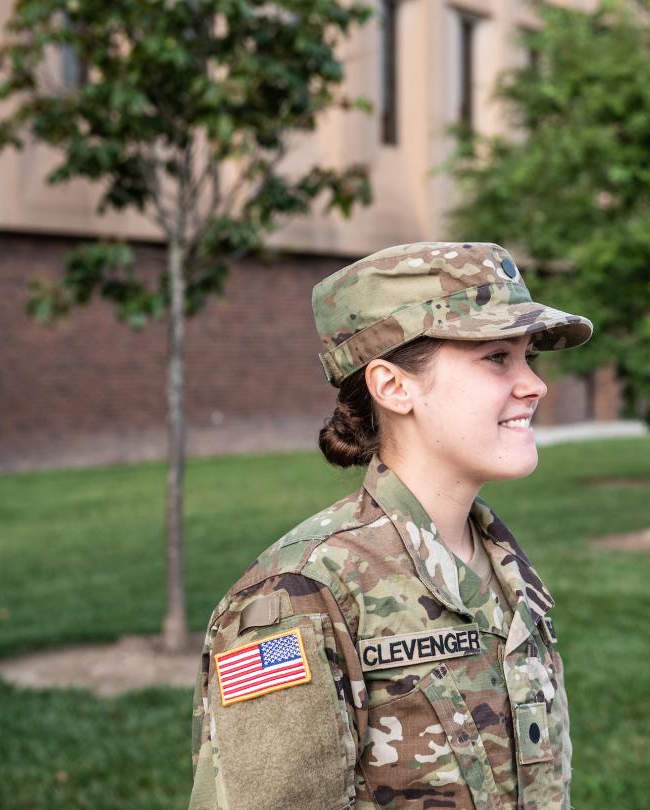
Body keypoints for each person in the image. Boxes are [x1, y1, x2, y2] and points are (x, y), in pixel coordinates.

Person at [188, 241, 593, 810]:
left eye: (530, 356)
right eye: (496, 357)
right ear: (393, 386)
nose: (534, 384)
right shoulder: (301, 595)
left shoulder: (498, 562)